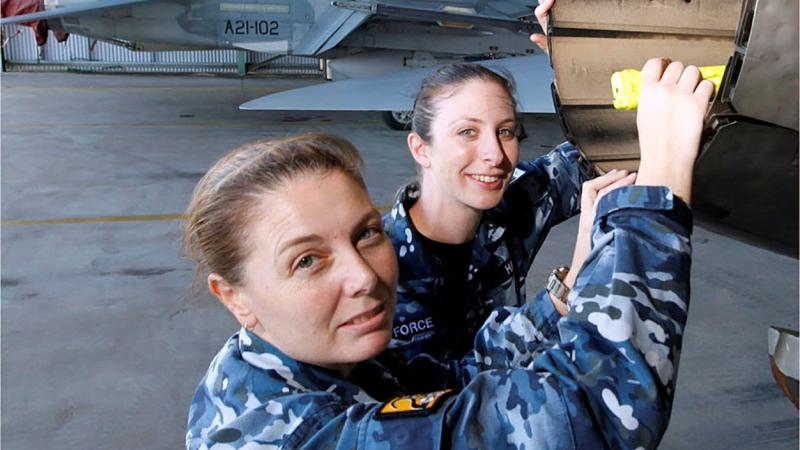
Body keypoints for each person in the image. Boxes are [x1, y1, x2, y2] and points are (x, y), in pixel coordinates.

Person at [184, 56, 714, 449]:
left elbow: (455, 382)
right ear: (234, 297)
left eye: (366, 234)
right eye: (306, 260)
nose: (363, 278)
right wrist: (658, 195)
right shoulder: (279, 432)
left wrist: (580, 53)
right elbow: (592, 416)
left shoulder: (336, 360)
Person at [383, 0, 637, 389]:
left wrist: (583, 60)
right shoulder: (373, 267)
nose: (495, 155)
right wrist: (569, 286)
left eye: (505, 131)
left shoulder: (512, 207)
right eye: (467, 132)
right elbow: (444, 399)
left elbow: (603, 146)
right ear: (421, 149)